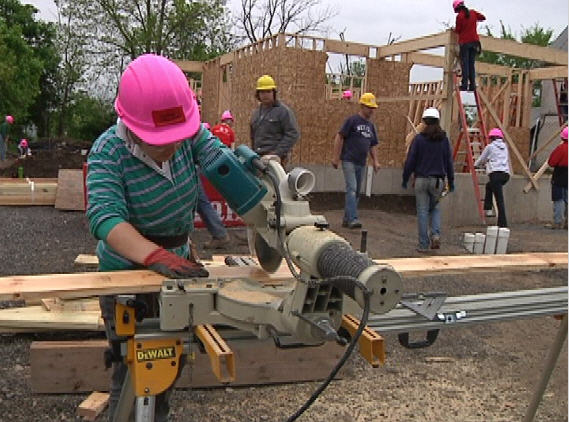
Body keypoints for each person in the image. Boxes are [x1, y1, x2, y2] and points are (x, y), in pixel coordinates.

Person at [86, 54, 229, 421]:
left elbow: (222, 162)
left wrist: (255, 188)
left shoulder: (188, 133)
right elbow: (105, 218)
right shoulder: (108, 152)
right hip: (126, 274)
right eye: (160, 139)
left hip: (176, 265)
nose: (173, 146)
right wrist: (155, 256)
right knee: (131, 366)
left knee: (171, 359)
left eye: (178, 137)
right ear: (132, 125)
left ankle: (157, 415)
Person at [402, 108, 454, 252]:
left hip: (421, 180)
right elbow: (448, 162)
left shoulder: (418, 139)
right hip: (437, 181)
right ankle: (435, 235)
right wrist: (451, 181)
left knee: (423, 211)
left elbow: (411, 160)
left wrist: (406, 177)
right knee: (435, 208)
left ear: (424, 121)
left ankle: (423, 245)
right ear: (438, 121)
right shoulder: (444, 140)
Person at [332, 92, 381, 229]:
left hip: (361, 163)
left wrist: (375, 161)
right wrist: (336, 157)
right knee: (352, 188)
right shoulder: (352, 121)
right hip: (348, 160)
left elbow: (372, 145)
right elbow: (340, 137)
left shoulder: (371, 127)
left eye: (373, 108)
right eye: (369, 107)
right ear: (362, 106)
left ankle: (347, 219)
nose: (371, 111)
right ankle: (353, 218)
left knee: (357, 191)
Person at [250, 74, 300, 165]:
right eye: (262, 92)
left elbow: (293, 134)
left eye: (268, 91)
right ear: (258, 94)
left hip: (277, 160)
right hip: (259, 158)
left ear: (274, 93)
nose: (265, 95)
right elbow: (253, 137)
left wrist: (277, 153)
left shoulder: (283, 111)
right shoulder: (256, 114)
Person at [474, 128, 511, 228]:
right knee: (489, 186)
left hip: (495, 174)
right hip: (505, 175)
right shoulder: (505, 147)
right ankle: (488, 208)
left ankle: (502, 223)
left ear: (492, 138)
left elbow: (482, 158)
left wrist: (475, 165)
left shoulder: (490, 147)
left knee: (499, 200)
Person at [453, 0, 486, 91]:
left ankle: (464, 85)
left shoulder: (459, 17)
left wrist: (454, 29)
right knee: (471, 64)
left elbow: (458, 30)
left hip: (465, 43)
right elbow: (483, 17)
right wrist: (474, 19)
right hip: (475, 43)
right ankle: (472, 85)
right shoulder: (473, 12)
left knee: (465, 64)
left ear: (457, 9)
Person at [547, 126, 568, 229]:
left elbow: (551, 162)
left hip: (559, 177)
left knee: (558, 200)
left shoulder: (560, 149)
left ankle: (558, 222)